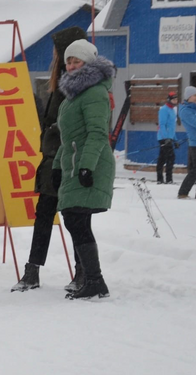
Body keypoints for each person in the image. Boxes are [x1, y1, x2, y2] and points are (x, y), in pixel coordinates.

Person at [10, 26, 87, 293]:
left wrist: (55, 132)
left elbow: (79, 125)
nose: (59, 57)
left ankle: (84, 271)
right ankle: (32, 271)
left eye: (63, 53)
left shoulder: (80, 84)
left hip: (69, 160)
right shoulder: (61, 80)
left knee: (74, 217)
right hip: (51, 159)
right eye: (65, 57)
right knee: (44, 214)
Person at [51, 38, 115, 299]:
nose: (72, 64)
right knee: (75, 220)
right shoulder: (72, 96)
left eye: (77, 60)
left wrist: (87, 167)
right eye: (68, 60)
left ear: (88, 63)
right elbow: (68, 138)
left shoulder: (95, 93)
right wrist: (57, 166)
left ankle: (95, 281)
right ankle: (91, 280)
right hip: (74, 164)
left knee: (76, 220)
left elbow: (97, 134)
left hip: (90, 163)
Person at [156, 91, 179, 184]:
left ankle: (161, 179)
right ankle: (167, 179)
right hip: (163, 138)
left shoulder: (173, 110)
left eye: (176, 99)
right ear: (169, 100)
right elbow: (162, 124)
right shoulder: (164, 110)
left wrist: (175, 140)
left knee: (163, 158)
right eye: (173, 99)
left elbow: (172, 127)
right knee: (169, 157)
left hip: (170, 138)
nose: (175, 101)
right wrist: (165, 138)